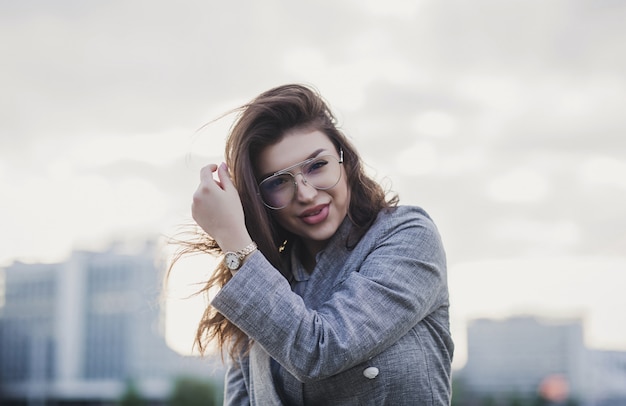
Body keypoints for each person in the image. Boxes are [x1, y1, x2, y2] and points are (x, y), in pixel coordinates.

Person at [174, 83, 454, 405]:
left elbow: (322, 350)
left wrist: (233, 240)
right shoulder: (263, 278)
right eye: (279, 181)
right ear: (259, 199)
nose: (305, 193)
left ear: (344, 161)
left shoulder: (406, 235)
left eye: (317, 165)